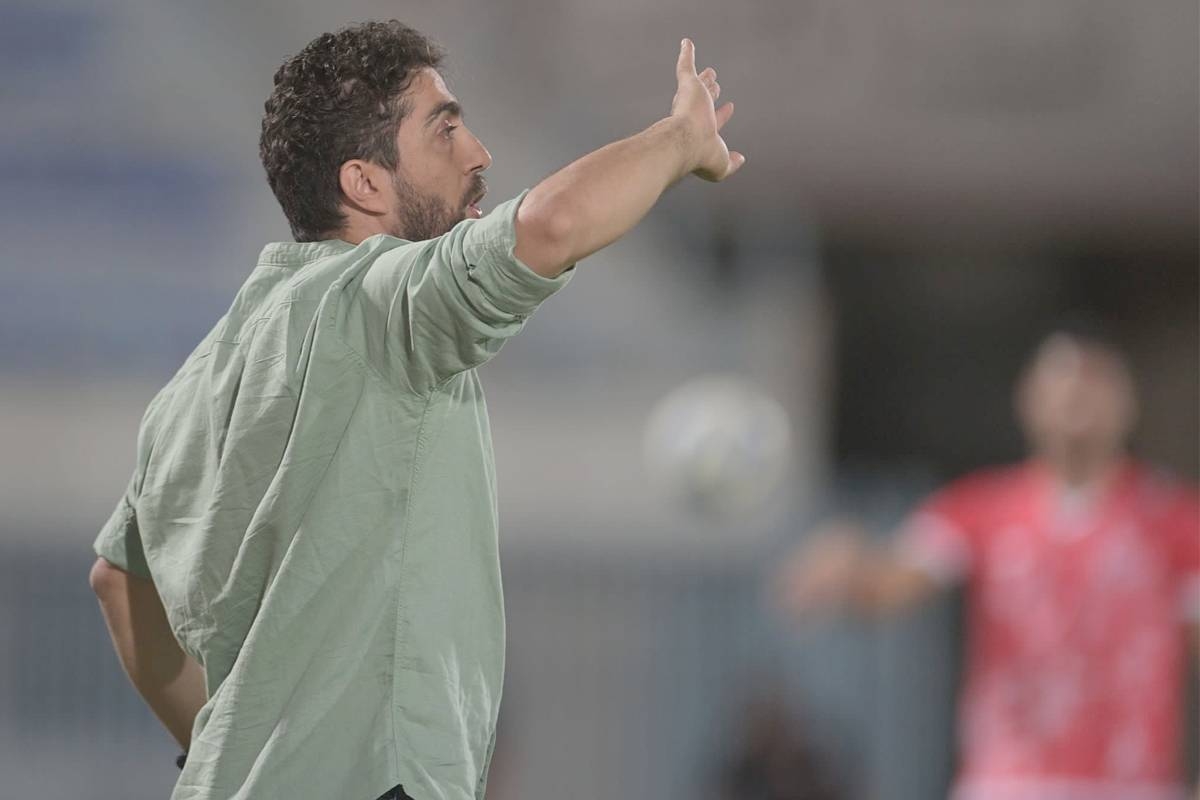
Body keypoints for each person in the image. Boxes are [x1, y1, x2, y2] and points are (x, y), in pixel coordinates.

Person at [87, 21, 744, 800]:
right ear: (364, 183)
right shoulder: (379, 303)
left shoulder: (194, 384)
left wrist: (233, 753)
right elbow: (553, 224)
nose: (480, 154)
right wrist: (681, 138)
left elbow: (118, 583)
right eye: (445, 130)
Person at [775, 326, 1199, 800]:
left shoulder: (1176, 521)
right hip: (1010, 783)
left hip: (1134, 785)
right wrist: (848, 569)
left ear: (1127, 403)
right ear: (1028, 401)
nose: (1076, 396)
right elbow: (892, 582)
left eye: (1094, 381)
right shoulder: (977, 511)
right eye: (1061, 382)